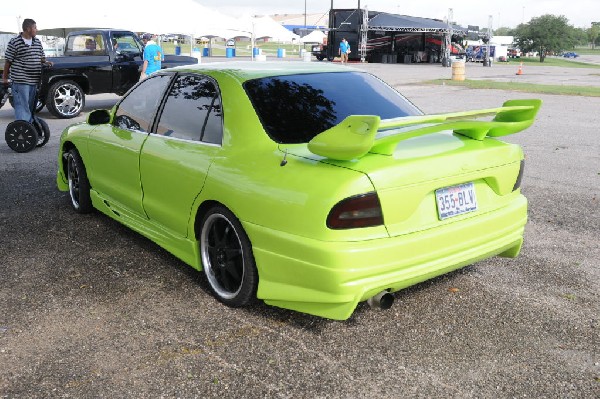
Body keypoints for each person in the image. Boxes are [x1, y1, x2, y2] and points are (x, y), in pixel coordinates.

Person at [2, 18, 52, 123]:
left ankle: (28, 128)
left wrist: (46, 62)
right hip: (21, 81)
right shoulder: (15, 42)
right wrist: (5, 78)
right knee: (22, 106)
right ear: (28, 29)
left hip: (34, 80)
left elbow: (41, 57)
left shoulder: (37, 42)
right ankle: (22, 131)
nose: (36, 30)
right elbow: (8, 62)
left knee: (30, 107)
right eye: (35, 27)